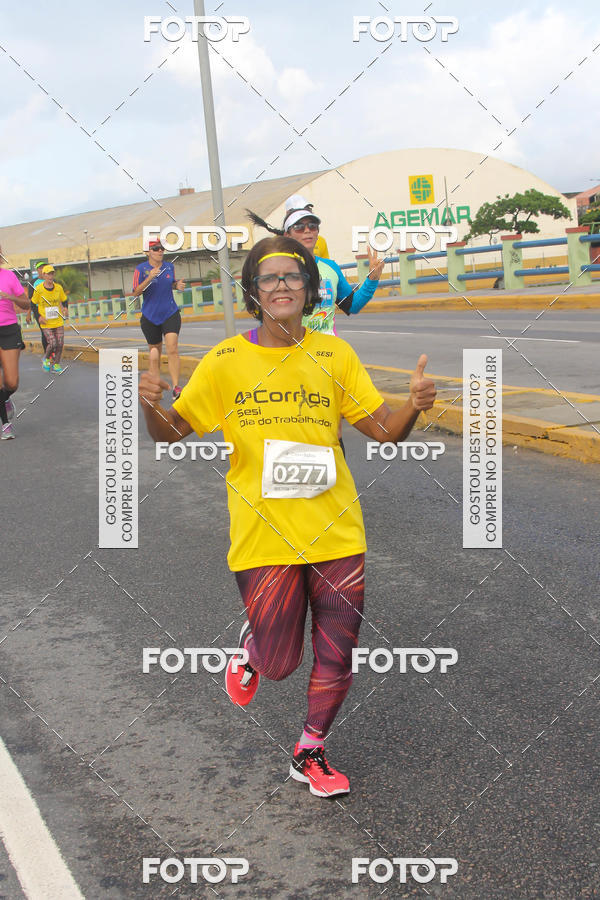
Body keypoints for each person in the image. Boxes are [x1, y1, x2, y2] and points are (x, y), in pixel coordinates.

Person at [138, 235, 436, 798]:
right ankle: (254, 646)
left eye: (292, 277)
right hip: (263, 534)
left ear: (310, 289)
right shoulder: (226, 361)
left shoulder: (335, 355)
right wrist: (151, 404)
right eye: (269, 278)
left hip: (336, 528)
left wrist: (412, 408)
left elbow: (382, 429)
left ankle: (311, 749)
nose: (281, 285)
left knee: (338, 650)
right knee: (279, 662)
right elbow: (173, 431)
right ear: (253, 291)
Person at [247, 193, 385, 335]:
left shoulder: (330, 267)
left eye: (312, 226)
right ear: (288, 235)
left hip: (328, 353)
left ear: (317, 232)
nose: (307, 230)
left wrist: (372, 279)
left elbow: (352, 306)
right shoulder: (278, 270)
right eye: (299, 226)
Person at [132, 239, 186, 399]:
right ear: (148, 252)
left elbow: (168, 284)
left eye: (162, 248)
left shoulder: (169, 267)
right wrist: (149, 277)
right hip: (150, 317)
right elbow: (135, 292)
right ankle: (154, 384)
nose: (160, 251)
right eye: (156, 248)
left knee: (172, 348)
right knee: (155, 353)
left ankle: (176, 387)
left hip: (170, 313)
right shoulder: (140, 269)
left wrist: (177, 286)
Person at [0, 248, 31, 439]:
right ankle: (6, 426)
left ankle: (6, 399)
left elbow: (26, 304)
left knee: (11, 382)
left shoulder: (9, 276)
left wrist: (9, 297)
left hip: (9, 329)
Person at [33, 265, 67, 373]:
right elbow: (33, 304)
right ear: (44, 275)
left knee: (60, 343)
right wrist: (39, 317)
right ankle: (46, 359)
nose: (50, 276)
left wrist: (65, 308)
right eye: (48, 274)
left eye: (52, 273)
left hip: (58, 321)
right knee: (53, 343)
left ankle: (56, 364)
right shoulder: (39, 289)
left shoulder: (58, 288)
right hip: (46, 322)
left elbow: (64, 299)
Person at [25, 261, 48, 353]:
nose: (42, 269)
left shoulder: (51, 280)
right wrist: (28, 314)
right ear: (37, 270)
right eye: (40, 268)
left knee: (54, 332)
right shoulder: (33, 282)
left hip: (51, 309)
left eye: (44, 267)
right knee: (45, 332)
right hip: (38, 310)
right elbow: (31, 299)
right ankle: (48, 354)